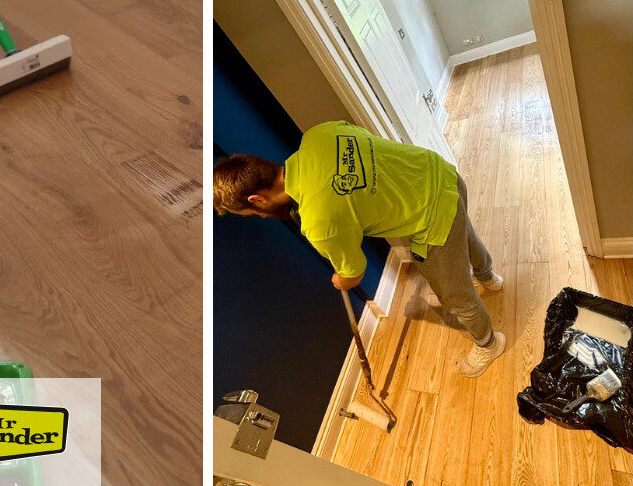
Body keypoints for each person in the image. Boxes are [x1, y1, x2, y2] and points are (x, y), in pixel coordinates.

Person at [213, 120, 506, 378]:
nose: (263, 217)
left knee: (454, 293)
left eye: (255, 214)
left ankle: (488, 343)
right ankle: (488, 276)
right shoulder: (319, 134)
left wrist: (340, 280)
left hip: (431, 216)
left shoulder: (318, 222)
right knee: (463, 232)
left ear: (257, 200)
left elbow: (354, 272)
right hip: (439, 173)